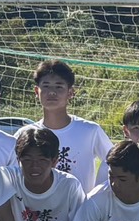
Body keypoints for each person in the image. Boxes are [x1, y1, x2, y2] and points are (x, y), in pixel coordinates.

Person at [27, 59, 113, 194]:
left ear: (70, 92)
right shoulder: (26, 134)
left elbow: (114, 162)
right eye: (46, 86)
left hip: (81, 206)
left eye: (59, 87)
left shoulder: (90, 131)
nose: (52, 92)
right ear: (37, 91)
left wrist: (97, 195)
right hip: (36, 206)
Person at [7, 127, 84, 221]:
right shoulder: (9, 180)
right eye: (27, 160)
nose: (34, 166)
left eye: (42, 160)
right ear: (18, 160)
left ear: (54, 161)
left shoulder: (69, 186)